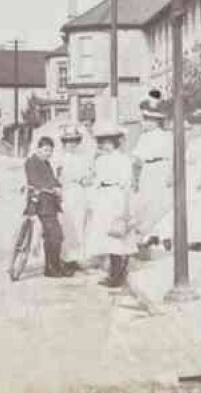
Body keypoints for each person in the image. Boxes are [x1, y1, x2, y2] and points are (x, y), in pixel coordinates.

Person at [157, 109, 201, 250]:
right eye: (192, 126)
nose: (193, 129)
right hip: (190, 176)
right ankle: (187, 237)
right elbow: (185, 161)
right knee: (190, 208)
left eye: (197, 126)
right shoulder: (192, 143)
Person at [84, 122, 137, 288]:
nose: (104, 145)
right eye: (101, 142)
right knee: (106, 235)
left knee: (117, 234)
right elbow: (96, 181)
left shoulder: (123, 160)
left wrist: (125, 207)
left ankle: (118, 274)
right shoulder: (100, 161)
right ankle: (114, 272)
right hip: (103, 198)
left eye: (107, 142)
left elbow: (127, 183)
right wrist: (92, 201)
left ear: (115, 142)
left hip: (116, 197)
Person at [24, 137, 71, 278]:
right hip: (40, 203)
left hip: (49, 203)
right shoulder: (31, 162)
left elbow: (52, 179)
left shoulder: (46, 163)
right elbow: (34, 180)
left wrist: (57, 186)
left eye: (50, 150)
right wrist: (51, 188)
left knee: (52, 236)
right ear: (38, 149)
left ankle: (52, 266)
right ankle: (52, 267)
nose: (48, 153)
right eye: (45, 150)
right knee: (56, 235)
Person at [131, 99, 174, 250]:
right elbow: (137, 157)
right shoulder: (144, 137)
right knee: (147, 203)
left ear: (157, 121)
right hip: (148, 170)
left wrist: (171, 174)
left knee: (164, 203)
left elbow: (172, 156)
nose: (146, 123)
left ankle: (165, 235)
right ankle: (150, 235)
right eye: (146, 119)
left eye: (150, 120)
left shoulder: (167, 136)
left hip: (162, 168)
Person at [57, 126, 92, 270]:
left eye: (74, 141)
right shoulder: (60, 158)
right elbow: (57, 176)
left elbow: (88, 175)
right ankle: (66, 258)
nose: (71, 144)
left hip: (79, 192)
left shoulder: (83, 158)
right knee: (66, 225)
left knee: (79, 224)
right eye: (68, 141)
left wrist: (86, 179)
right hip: (66, 191)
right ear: (64, 143)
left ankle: (78, 257)